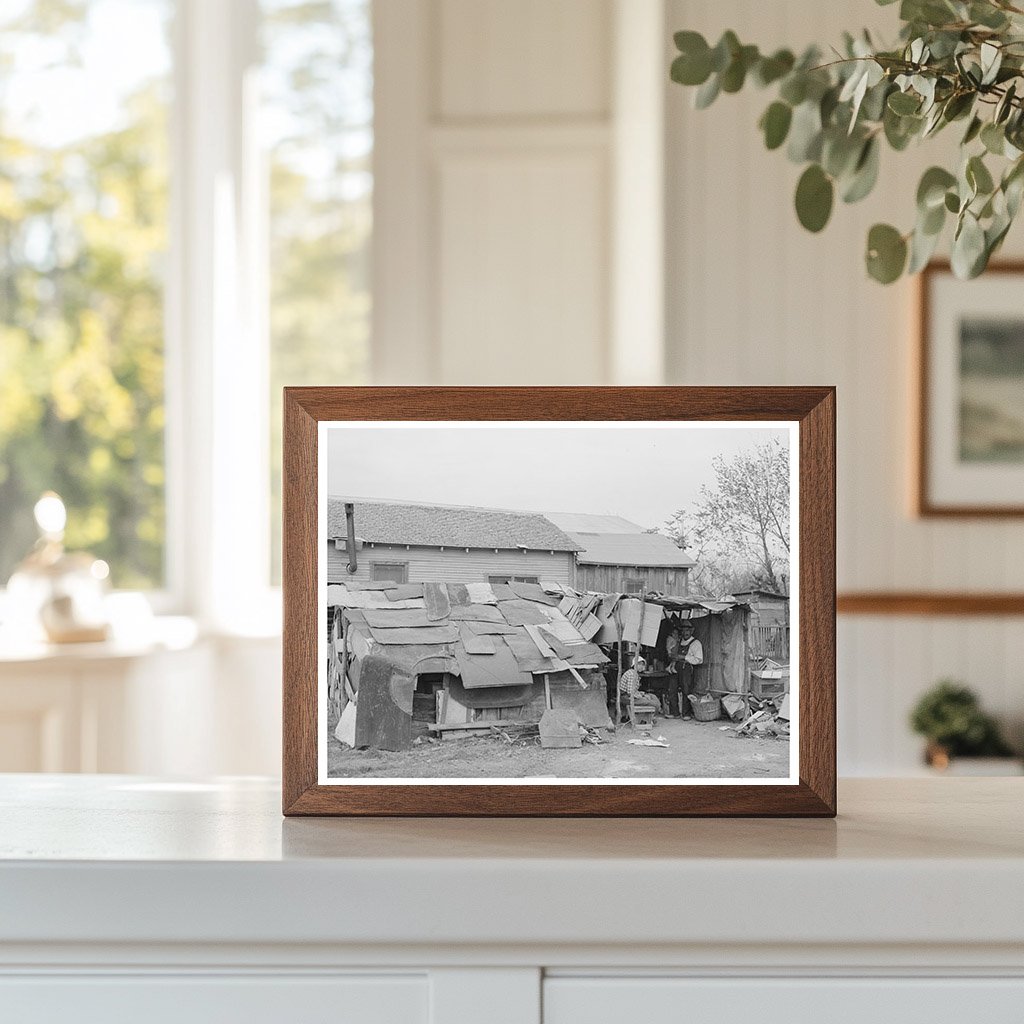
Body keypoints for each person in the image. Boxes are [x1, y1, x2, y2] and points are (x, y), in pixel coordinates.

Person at [667, 619, 704, 719]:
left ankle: (686, 713)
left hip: (686, 668)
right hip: (676, 667)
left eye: (687, 631)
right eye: (683, 631)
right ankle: (674, 712)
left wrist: (683, 657)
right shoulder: (679, 642)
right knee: (672, 689)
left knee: (686, 690)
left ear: (691, 631)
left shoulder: (696, 643)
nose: (685, 633)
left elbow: (699, 660)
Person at [618, 655, 660, 721]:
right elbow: (630, 693)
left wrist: (642, 694)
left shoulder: (635, 673)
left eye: (642, 665)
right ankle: (650, 718)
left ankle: (651, 717)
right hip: (626, 698)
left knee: (653, 696)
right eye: (639, 664)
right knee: (652, 703)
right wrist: (642, 697)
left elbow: (634, 690)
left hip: (631, 696)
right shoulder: (632, 674)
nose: (641, 666)